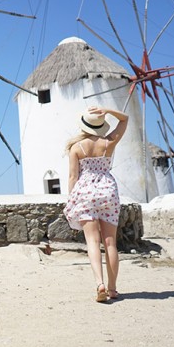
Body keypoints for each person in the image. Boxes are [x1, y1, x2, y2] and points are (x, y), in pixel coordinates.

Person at [64, 105, 129, 303]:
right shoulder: (109, 142)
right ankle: (112, 289)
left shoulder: (77, 148)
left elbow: (73, 176)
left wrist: (71, 200)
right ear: (101, 126)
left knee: (92, 241)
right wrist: (108, 110)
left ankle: (99, 283)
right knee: (110, 243)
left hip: (85, 192)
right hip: (107, 190)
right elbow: (125, 119)